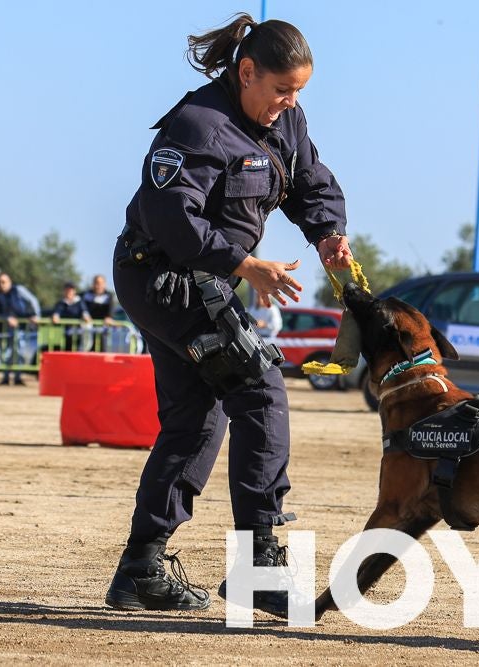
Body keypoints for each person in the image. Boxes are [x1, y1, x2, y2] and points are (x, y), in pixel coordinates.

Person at [107, 13, 352, 615]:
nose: (288, 103)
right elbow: (169, 215)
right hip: (161, 277)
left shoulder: (285, 121)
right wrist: (244, 264)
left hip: (205, 281)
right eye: (280, 90)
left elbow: (310, 183)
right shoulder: (196, 125)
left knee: (198, 421)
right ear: (247, 73)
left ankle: (141, 569)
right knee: (260, 393)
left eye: (297, 93)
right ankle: (258, 568)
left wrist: (328, 235)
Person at [0, 273, 40, 385]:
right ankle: (6, 377)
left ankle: (17, 377)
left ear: (10, 282)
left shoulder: (18, 290)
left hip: (20, 328)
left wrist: (35, 315)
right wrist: (6, 318)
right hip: (2, 330)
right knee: (4, 354)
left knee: (18, 351)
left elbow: (33, 301)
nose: (1, 285)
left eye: (4, 282)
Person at [51, 282, 92, 351]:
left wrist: (86, 316)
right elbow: (57, 312)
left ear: (74, 291)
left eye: (70, 290)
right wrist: (55, 316)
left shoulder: (79, 302)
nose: (68, 292)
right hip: (66, 334)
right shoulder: (61, 303)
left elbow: (84, 312)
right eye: (67, 290)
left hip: (79, 334)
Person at [82, 274, 116, 351]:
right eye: (96, 283)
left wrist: (109, 317)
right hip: (89, 327)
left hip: (103, 328)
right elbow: (81, 306)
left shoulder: (109, 296)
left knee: (102, 349)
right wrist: (85, 314)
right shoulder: (86, 295)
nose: (98, 286)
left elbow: (111, 309)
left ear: (104, 284)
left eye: (100, 283)